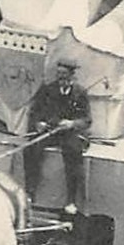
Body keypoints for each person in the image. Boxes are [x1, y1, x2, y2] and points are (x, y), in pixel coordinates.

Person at [23, 59, 91, 215]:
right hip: (50, 131)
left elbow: (87, 120)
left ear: (72, 75)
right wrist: (39, 123)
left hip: (69, 133)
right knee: (31, 148)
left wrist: (72, 123)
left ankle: (71, 200)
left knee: (74, 153)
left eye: (65, 75)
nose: (61, 78)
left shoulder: (80, 93)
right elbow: (35, 112)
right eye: (59, 74)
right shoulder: (47, 89)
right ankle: (30, 192)